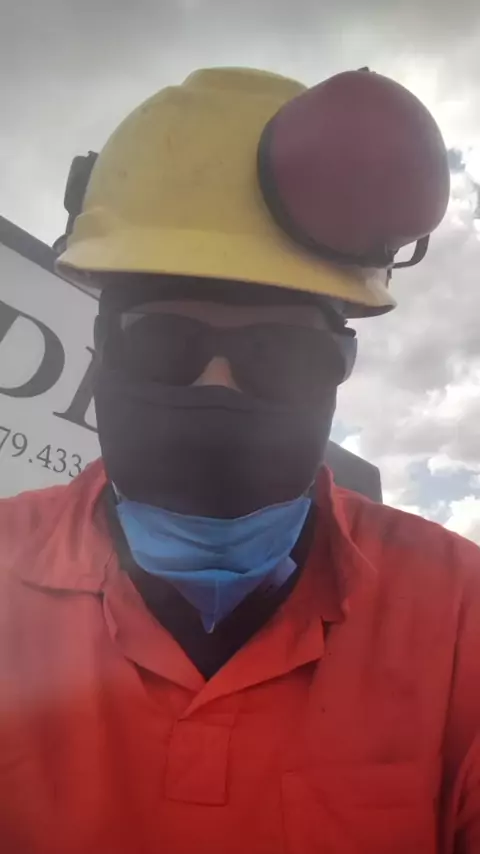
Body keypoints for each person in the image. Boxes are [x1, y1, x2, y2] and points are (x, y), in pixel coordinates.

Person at [1, 66, 479, 854]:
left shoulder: (461, 615)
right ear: (101, 346)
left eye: (280, 355)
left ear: (339, 368)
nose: (216, 390)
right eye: (163, 342)